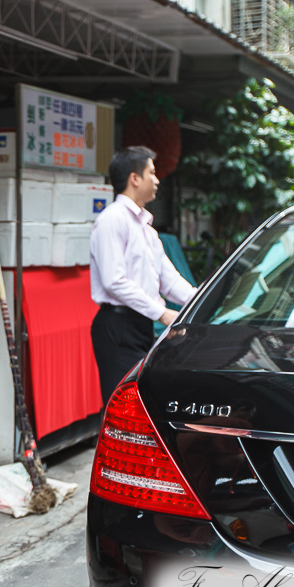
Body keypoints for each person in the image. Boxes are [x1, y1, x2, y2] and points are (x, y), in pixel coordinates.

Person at [89, 146, 196, 404]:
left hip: (140, 325)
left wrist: (204, 302)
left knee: (140, 405)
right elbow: (113, 281)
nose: (157, 180)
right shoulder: (112, 220)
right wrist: (163, 313)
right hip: (117, 326)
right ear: (134, 179)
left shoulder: (147, 229)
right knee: (122, 408)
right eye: (152, 172)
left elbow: (171, 282)